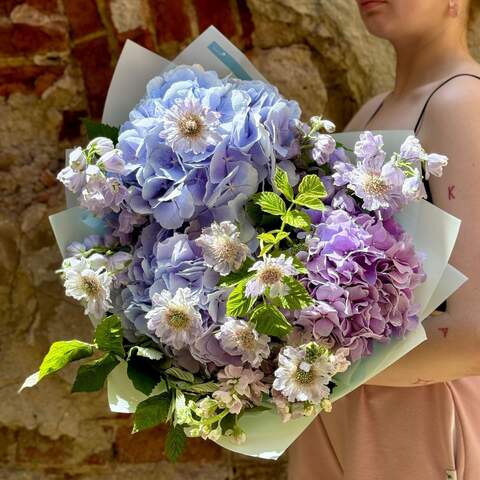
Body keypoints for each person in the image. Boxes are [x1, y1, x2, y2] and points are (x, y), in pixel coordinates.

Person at [288, 0, 480, 478]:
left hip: (421, 415)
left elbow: (476, 335)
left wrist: (303, 368)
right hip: (338, 408)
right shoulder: (372, 109)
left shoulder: (463, 103)